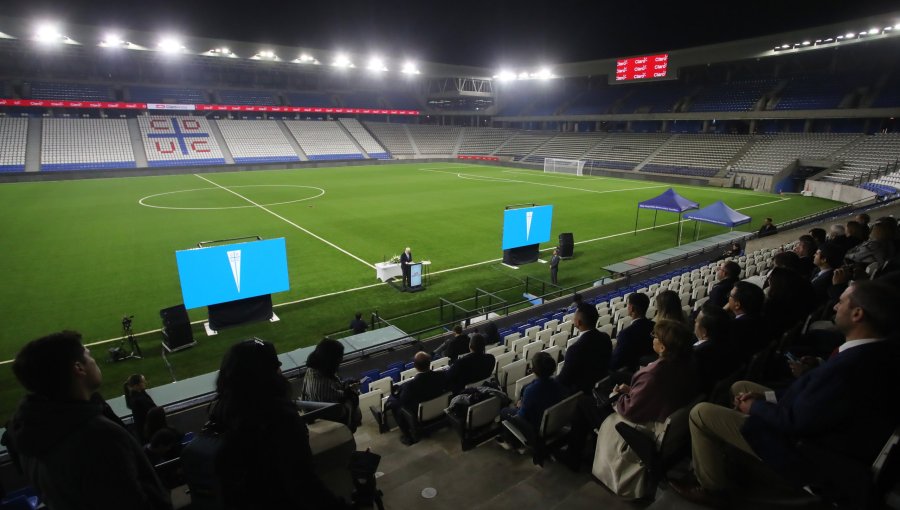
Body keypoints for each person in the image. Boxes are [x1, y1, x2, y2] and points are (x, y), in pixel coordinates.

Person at [670, 280, 900, 507]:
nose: (835, 307)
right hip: (807, 418)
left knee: (700, 413)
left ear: (858, 314)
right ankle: (731, 452)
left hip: (801, 450)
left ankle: (713, 489)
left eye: (841, 302)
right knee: (741, 386)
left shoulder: (851, 367)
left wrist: (756, 407)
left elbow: (796, 422)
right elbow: (816, 398)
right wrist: (767, 398)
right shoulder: (872, 351)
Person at [6, 331, 172, 510]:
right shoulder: (99, 436)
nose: (94, 361)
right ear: (79, 368)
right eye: (89, 355)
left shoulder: (30, 434)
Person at [210, 338, 345, 509]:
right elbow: (303, 483)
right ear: (267, 373)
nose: (280, 371)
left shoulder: (220, 411)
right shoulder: (280, 418)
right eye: (276, 367)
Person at [592, 320, 699, 498]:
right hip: (664, 413)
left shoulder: (654, 374)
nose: (653, 339)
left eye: (655, 337)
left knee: (591, 403)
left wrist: (617, 396)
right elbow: (659, 393)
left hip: (645, 425)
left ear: (663, 347)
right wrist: (633, 391)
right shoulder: (688, 364)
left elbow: (630, 409)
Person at [497, 352, 567, 453]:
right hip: (552, 423)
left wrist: (520, 406)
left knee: (504, 411)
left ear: (533, 370)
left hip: (535, 427)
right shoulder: (558, 384)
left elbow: (521, 416)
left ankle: (511, 442)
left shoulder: (531, 390)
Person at [382, 352, 448, 445]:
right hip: (440, 410)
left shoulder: (410, 386)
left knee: (395, 405)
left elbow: (402, 401)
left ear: (415, 366)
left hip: (420, 414)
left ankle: (407, 437)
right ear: (430, 363)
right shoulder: (441, 375)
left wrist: (392, 397)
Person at [300, 338, 362, 432]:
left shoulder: (313, 369)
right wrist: (350, 393)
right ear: (330, 361)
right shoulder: (321, 383)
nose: (340, 362)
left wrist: (345, 384)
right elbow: (339, 406)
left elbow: (334, 389)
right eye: (338, 359)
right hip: (334, 422)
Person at [558, 302, 612, 395]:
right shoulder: (605, 337)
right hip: (600, 388)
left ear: (579, 322)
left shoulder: (575, 349)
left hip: (583, 396)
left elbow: (563, 380)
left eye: (574, 316)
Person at [609, 292, 655, 372]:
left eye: (628, 305)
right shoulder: (654, 326)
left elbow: (615, 363)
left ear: (632, 308)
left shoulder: (626, 334)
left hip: (631, 374)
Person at [726, 281, 769, 363]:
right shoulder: (763, 318)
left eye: (730, 295)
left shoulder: (734, 327)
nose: (728, 298)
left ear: (737, 305)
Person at [124, 373, 157, 444]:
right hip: (149, 434)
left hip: (143, 434)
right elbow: (153, 411)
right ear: (137, 385)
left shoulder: (135, 396)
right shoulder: (139, 400)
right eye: (143, 381)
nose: (145, 383)